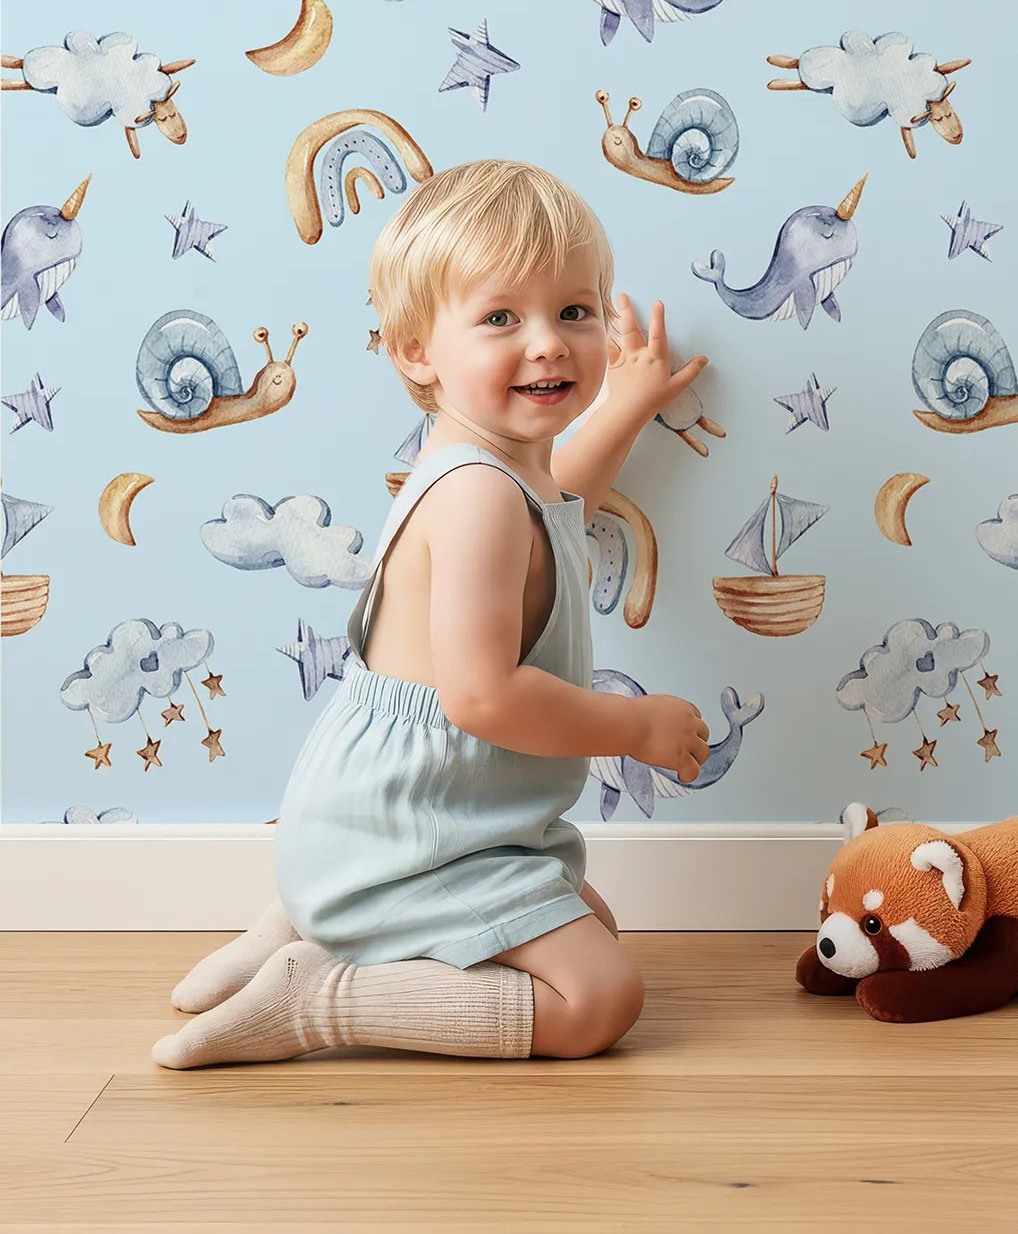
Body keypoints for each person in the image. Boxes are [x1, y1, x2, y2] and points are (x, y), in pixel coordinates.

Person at [151, 160, 712, 1068]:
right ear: (416, 350)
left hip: (422, 816)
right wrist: (634, 725)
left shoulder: (500, 467)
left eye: (575, 312)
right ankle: (319, 995)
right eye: (502, 318)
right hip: (412, 832)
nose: (549, 344)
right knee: (598, 997)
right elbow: (484, 700)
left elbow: (564, 503)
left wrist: (629, 404)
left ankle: (305, 921)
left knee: (591, 919)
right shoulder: (478, 497)